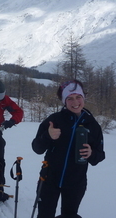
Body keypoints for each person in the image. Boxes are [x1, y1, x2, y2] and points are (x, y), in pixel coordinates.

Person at [32, 80, 105, 218]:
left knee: (70, 215)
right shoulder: (54, 120)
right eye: (70, 98)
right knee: (45, 215)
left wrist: (91, 153)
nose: (75, 102)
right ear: (64, 101)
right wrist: (48, 136)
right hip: (49, 178)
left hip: (76, 182)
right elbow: (37, 148)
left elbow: (99, 156)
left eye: (78, 97)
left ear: (84, 98)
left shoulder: (93, 125)